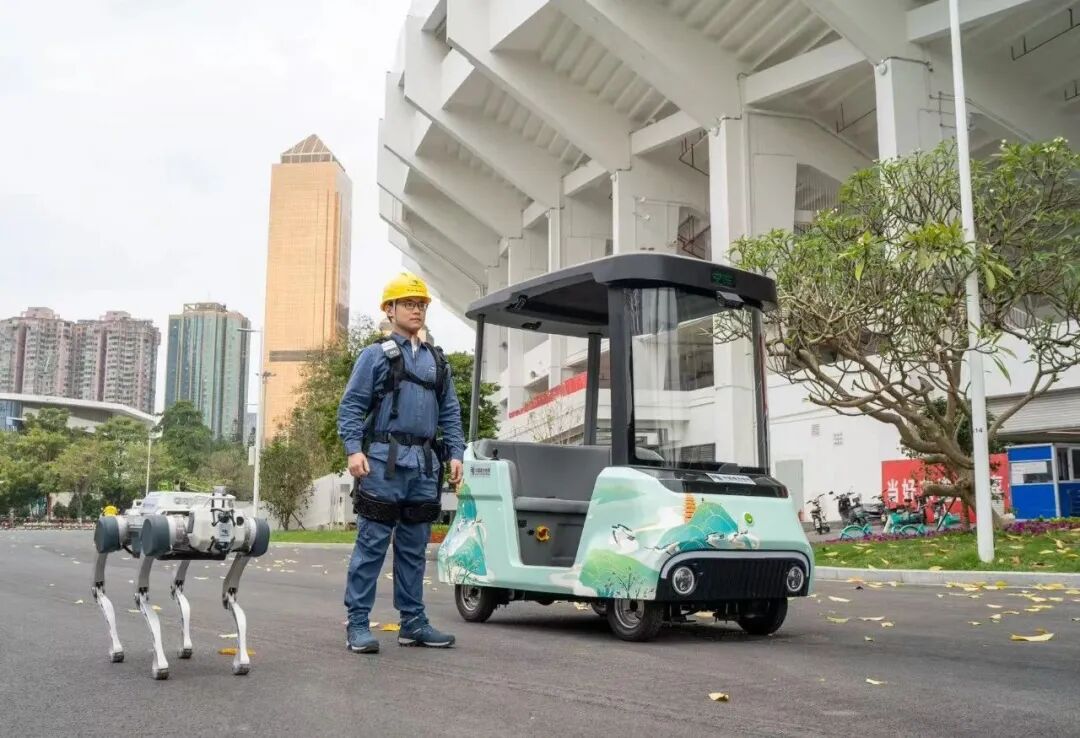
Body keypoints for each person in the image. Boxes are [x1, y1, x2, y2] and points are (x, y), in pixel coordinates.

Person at [338, 272, 465, 653]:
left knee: (414, 548)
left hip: (424, 467)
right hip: (382, 463)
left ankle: (413, 623)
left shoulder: (437, 361)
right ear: (390, 310)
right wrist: (354, 449)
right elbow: (352, 405)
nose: (417, 310)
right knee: (372, 545)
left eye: (421, 304)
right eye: (409, 304)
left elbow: (450, 412)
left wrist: (456, 453)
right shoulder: (375, 356)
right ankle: (357, 624)